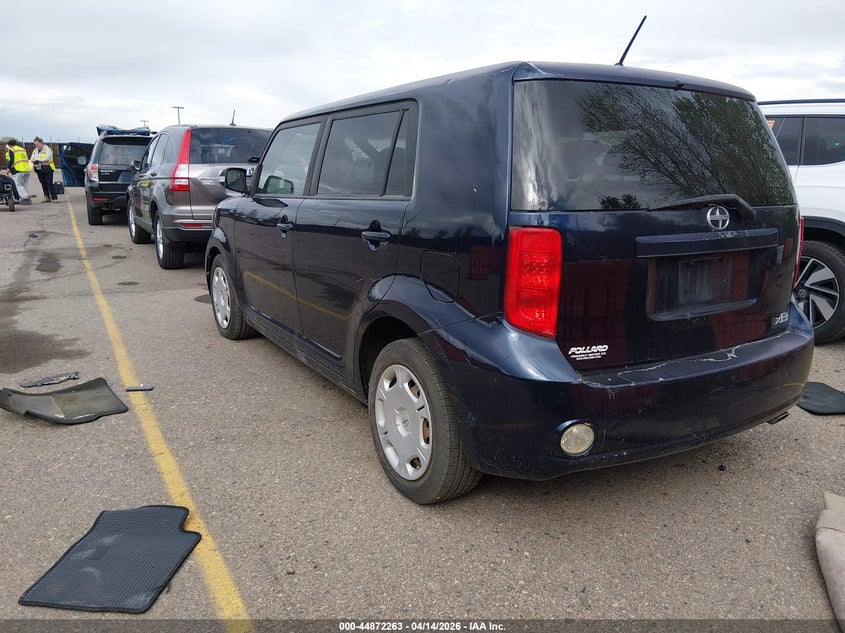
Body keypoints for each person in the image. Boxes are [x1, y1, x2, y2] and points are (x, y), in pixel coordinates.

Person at [3, 138, 32, 204]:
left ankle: (25, 198)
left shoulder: (12, 150)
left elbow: (11, 160)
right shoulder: (22, 149)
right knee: (24, 185)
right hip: (27, 169)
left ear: (10, 145)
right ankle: (25, 198)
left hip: (18, 169)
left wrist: (8, 169)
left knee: (18, 184)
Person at [31, 137, 58, 202]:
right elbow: (32, 157)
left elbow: (47, 157)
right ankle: (47, 197)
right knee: (43, 183)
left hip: (47, 168)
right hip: (39, 168)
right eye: (35, 144)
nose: (36, 145)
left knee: (49, 183)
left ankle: (54, 198)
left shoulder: (47, 149)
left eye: (37, 144)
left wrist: (39, 160)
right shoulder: (35, 150)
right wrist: (33, 161)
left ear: (41, 143)